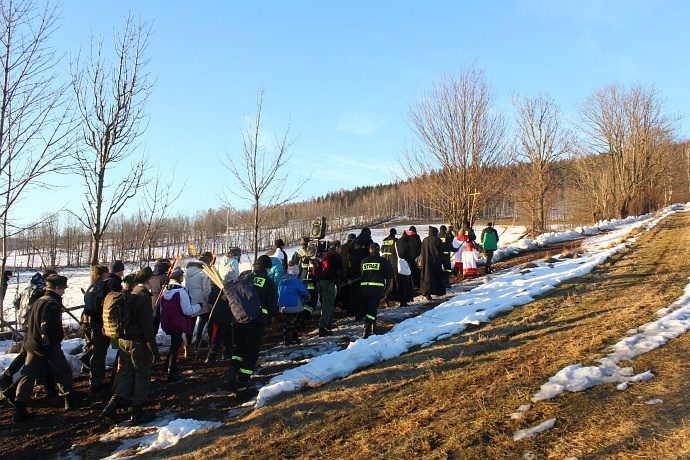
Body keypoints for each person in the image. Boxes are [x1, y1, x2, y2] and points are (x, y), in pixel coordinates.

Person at [11, 275, 82, 422]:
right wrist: (49, 346)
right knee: (63, 370)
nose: (64, 291)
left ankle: (20, 408)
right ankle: (69, 399)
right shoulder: (52, 304)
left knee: (28, 375)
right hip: (46, 345)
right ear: (57, 288)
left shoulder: (38, 301)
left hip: (32, 344)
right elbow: (47, 327)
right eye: (63, 288)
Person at [102, 267, 161, 425]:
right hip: (137, 343)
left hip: (124, 341)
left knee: (128, 374)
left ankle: (111, 406)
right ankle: (137, 413)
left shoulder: (131, 294)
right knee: (142, 374)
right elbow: (147, 328)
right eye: (153, 278)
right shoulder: (143, 298)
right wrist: (154, 350)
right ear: (149, 280)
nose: (155, 280)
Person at [224, 255, 278, 397]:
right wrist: (270, 319)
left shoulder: (244, 278)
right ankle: (242, 387)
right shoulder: (268, 282)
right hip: (255, 322)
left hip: (238, 320)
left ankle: (230, 376)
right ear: (267, 268)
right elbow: (272, 304)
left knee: (239, 349)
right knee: (251, 353)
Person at [89, 259, 124, 396]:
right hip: (109, 324)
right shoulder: (114, 284)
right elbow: (118, 304)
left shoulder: (99, 283)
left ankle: (95, 383)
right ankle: (116, 377)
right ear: (120, 271)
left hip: (95, 322)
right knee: (121, 349)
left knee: (98, 353)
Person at [160, 266, 200, 381]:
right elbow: (187, 310)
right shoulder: (181, 292)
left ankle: (165, 366)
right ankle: (171, 372)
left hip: (167, 321)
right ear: (179, 277)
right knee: (175, 345)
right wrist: (199, 306)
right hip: (177, 323)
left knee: (174, 343)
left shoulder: (165, 290)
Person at [359, 243, 394, 338]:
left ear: (370, 250)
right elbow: (390, 274)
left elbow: (361, 273)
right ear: (378, 250)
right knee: (372, 309)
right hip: (376, 289)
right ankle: (367, 330)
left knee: (369, 308)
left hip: (364, 288)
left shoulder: (364, 261)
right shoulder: (382, 261)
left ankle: (373, 328)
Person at [315, 240, 346, 336]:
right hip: (328, 283)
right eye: (339, 247)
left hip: (319, 282)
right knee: (328, 305)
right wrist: (345, 280)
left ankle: (328, 323)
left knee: (328, 303)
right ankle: (322, 328)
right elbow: (339, 271)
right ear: (336, 248)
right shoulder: (336, 256)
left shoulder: (322, 255)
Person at [278, 263, 310, 345]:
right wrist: (308, 295)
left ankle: (286, 339)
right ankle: (294, 336)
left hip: (283, 306)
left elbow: (278, 292)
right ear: (296, 273)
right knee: (299, 318)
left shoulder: (281, 281)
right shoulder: (296, 281)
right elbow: (304, 292)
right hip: (294, 305)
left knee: (286, 322)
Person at [185, 253, 212, 347]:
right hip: (202, 301)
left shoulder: (188, 271)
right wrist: (210, 302)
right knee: (211, 321)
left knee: (190, 325)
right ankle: (211, 342)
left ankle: (187, 347)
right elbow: (207, 289)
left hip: (191, 301)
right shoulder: (204, 272)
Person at [206, 281, 233, 364]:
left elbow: (210, 299)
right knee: (219, 336)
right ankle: (211, 357)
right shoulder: (228, 288)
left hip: (219, 314)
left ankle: (227, 352)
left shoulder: (216, 286)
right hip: (224, 314)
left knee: (228, 333)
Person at [349, 228, 373, 320]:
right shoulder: (368, 240)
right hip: (364, 271)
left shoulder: (354, 241)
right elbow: (371, 255)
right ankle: (364, 311)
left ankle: (356, 312)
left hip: (354, 270)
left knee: (356, 292)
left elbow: (350, 255)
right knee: (365, 292)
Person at [420, 226, 446, 301]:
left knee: (427, 278)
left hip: (426, 262)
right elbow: (441, 252)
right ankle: (437, 291)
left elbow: (422, 251)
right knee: (436, 277)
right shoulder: (437, 240)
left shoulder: (424, 240)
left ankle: (427, 293)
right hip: (435, 262)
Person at [392, 232, 415, 307]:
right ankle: (404, 300)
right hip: (402, 267)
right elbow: (406, 256)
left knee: (398, 284)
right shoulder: (406, 245)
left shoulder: (396, 243)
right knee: (405, 285)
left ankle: (399, 300)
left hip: (395, 266)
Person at [150, 258, 172, 336]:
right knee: (156, 320)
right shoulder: (164, 277)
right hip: (160, 300)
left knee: (154, 321)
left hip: (152, 298)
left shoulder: (153, 275)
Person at [380, 228, 397, 305]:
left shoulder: (384, 240)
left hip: (384, 260)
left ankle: (386, 293)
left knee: (386, 279)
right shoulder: (395, 240)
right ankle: (390, 294)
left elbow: (381, 249)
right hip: (392, 260)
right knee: (392, 278)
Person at [407, 226, 423, 290]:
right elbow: (419, 246)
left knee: (410, 270)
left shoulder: (406, 237)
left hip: (409, 257)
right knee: (417, 270)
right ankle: (417, 284)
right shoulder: (416, 237)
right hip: (416, 256)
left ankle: (411, 284)